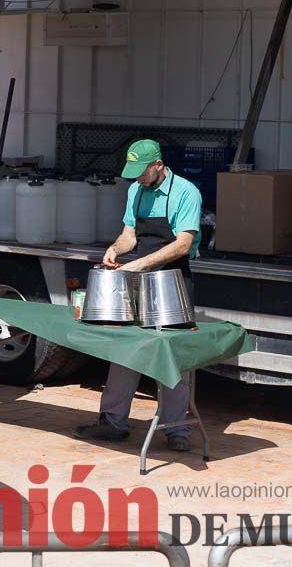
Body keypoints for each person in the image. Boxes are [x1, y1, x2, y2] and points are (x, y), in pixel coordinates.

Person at [75, 139, 202, 452]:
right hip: (139, 278)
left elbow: (184, 243)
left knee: (173, 358)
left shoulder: (186, 192)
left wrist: (139, 266)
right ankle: (113, 422)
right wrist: (115, 249)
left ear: (158, 164)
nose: (137, 179)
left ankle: (176, 430)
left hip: (173, 282)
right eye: (132, 174)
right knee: (126, 350)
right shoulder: (135, 190)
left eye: (141, 172)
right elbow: (130, 234)